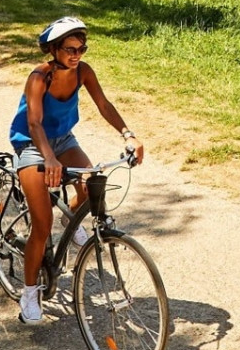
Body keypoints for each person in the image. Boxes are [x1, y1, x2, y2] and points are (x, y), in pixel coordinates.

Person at [8, 16, 144, 324]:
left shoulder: (83, 71)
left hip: (64, 140)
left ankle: (70, 227)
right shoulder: (39, 77)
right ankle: (30, 292)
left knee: (90, 183)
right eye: (70, 48)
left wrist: (128, 134)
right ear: (54, 50)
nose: (76, 54)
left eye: (81, 48)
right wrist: (49, 158)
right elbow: (34, 123)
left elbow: (104, 105)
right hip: (32, 143)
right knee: (41, 227)